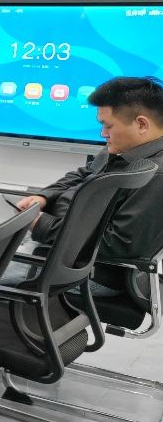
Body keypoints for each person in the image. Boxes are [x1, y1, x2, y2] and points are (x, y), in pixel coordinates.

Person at [8, 76, 163, 295]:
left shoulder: (156, 176)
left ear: (141, 124)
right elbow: (83, 174)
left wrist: (43, 226)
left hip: (83, 269)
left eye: (108, 126)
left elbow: (117, 245)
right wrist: (45, 196)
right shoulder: (124, 150)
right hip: (56, 245)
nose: (103, 134)